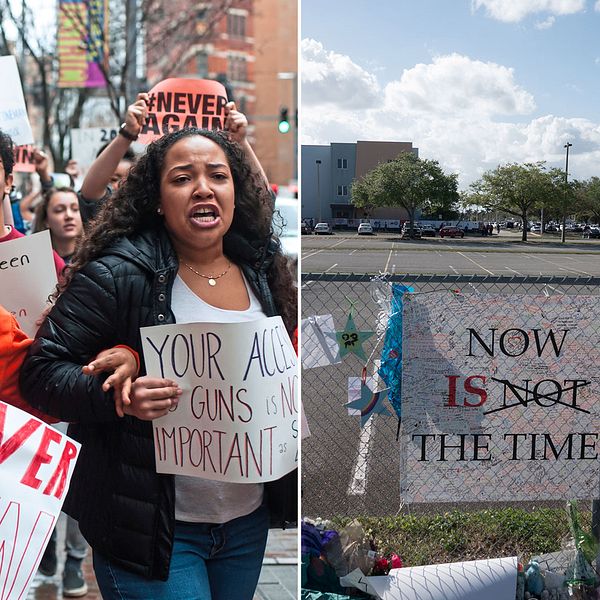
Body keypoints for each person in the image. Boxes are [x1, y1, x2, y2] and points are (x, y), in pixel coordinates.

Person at [21, 126, 297, 599]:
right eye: (182, 178)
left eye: (218, 175)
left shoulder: (264, 271)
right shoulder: (117, 273)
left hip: (245, 526)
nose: (204, 188)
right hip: (149, 531)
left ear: (236, 192)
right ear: (156, 198)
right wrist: (117, 394)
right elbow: (41, 374)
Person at [32, 186, 83, 263]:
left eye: (75, 209)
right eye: (59, 210)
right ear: (46, 220)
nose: (69, 215)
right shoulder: (36, 262)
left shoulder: (94, 258)